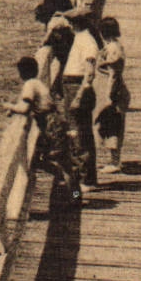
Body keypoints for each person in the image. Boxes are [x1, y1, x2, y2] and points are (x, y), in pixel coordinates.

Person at [6, 55, 80, 201]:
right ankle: (75, 195)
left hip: (51, 126)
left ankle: (75, 197)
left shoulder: (30, 85)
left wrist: (9, 106)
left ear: (22, 72)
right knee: (63, 164)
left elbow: (25, 108)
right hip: (56, 122)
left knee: (62, 166)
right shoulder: (37, 83)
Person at [60, 11, 101, 190]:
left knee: (79, 134)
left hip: (77, 88)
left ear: (74, 24)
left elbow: (89, 73)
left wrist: (78, 97)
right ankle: (81, 178)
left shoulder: (87, 41)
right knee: (76, 132)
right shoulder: (81, 38)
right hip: (71, 86)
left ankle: (86, 180)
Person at [95, 17, 129, 173]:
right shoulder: (112, 45)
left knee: (112, 125)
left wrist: (109, 96)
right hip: (111, 90)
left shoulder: (113, 48)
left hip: (114, 91)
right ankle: (112, 160)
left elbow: (113, 74)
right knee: (109, 124)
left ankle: (115, 162)